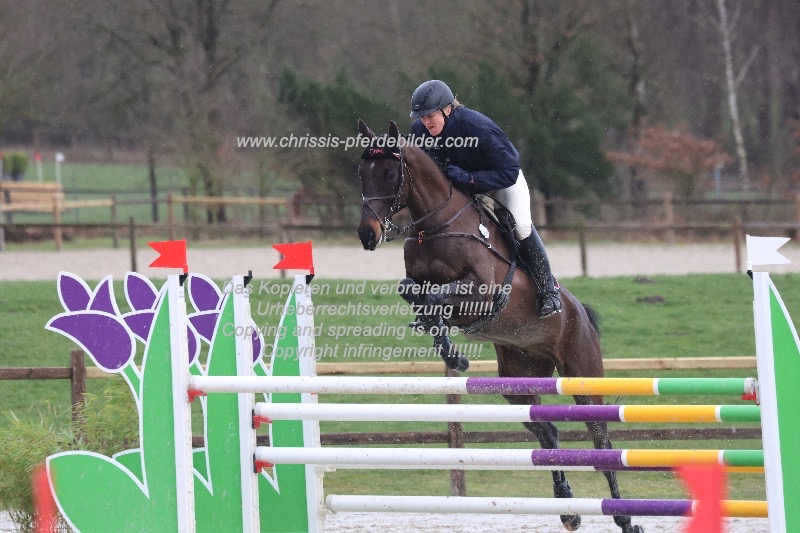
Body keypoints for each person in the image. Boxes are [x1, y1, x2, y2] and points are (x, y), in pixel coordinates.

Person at [409, 79, 561, 318]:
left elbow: (509, 171)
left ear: (447, 109)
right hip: (461, 188)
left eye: (430, 116)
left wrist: (469, 179)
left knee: (520, 226)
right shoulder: (420, 132)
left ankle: (548, 289)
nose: (425, 122)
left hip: (500, 181)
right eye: (421, 116)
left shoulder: (477, 126)